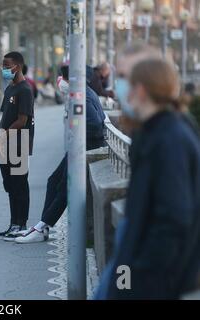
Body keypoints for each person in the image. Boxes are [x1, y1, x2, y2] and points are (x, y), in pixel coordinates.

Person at [96, 58, 200, 300]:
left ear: (140, 90)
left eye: (126, 84)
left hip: (152, 279)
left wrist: (139, 277)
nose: (121, 91)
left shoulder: (168, 138)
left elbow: (173, 218)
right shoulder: (158, 132)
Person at [15, 65, 106, 244]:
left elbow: (95, 125)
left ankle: (42, 226)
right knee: (53, 181)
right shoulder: (79, 94)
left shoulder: (82, 96)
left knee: (65, 187)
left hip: (84, 148)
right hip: (77, 147)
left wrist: (77, 132)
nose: (59, 82)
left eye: (62, 79)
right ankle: (42, 226)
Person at [0, 51, 35, 241]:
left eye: (7, 65)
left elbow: (22, 120)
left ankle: (22, 224)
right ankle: (13, 224)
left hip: (19, 143)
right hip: (5, 144)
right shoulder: (10, 88)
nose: (4, 69)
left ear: (16, 66)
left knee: (19, 184)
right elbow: (6, 115)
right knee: (9, 184)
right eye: (3, 65)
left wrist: (3, 136)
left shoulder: (25, 90)